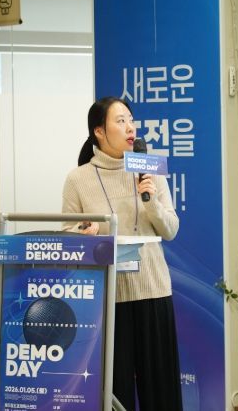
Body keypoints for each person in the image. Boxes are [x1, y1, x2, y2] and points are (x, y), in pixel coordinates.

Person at [61, 96, 182, 411]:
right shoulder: (78, 179)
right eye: (120, 121)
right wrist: (85, 234)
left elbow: (170, 229)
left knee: (162, 391)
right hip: (108, 299)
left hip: (153, 291)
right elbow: (69, 235)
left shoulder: (150, 169)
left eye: (131, 119)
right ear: (99, 131)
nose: (130, 127)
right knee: (115, 393)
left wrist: (151, 202)